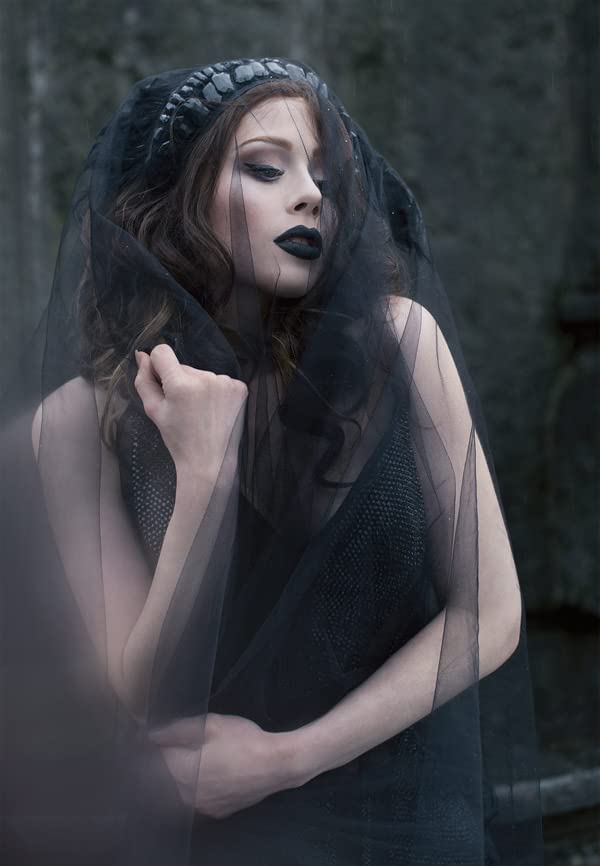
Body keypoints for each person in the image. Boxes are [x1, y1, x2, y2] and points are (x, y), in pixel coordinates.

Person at [0, 58, 544, 865]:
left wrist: (289, 758)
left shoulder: (401, 343)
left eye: (325, 175)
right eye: (265, 168)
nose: (310, 196)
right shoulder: (80, 422)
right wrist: (204, 478)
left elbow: (490, 614)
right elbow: (135, 696)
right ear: (174, 198)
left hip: (398, 812)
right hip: (201, 826)